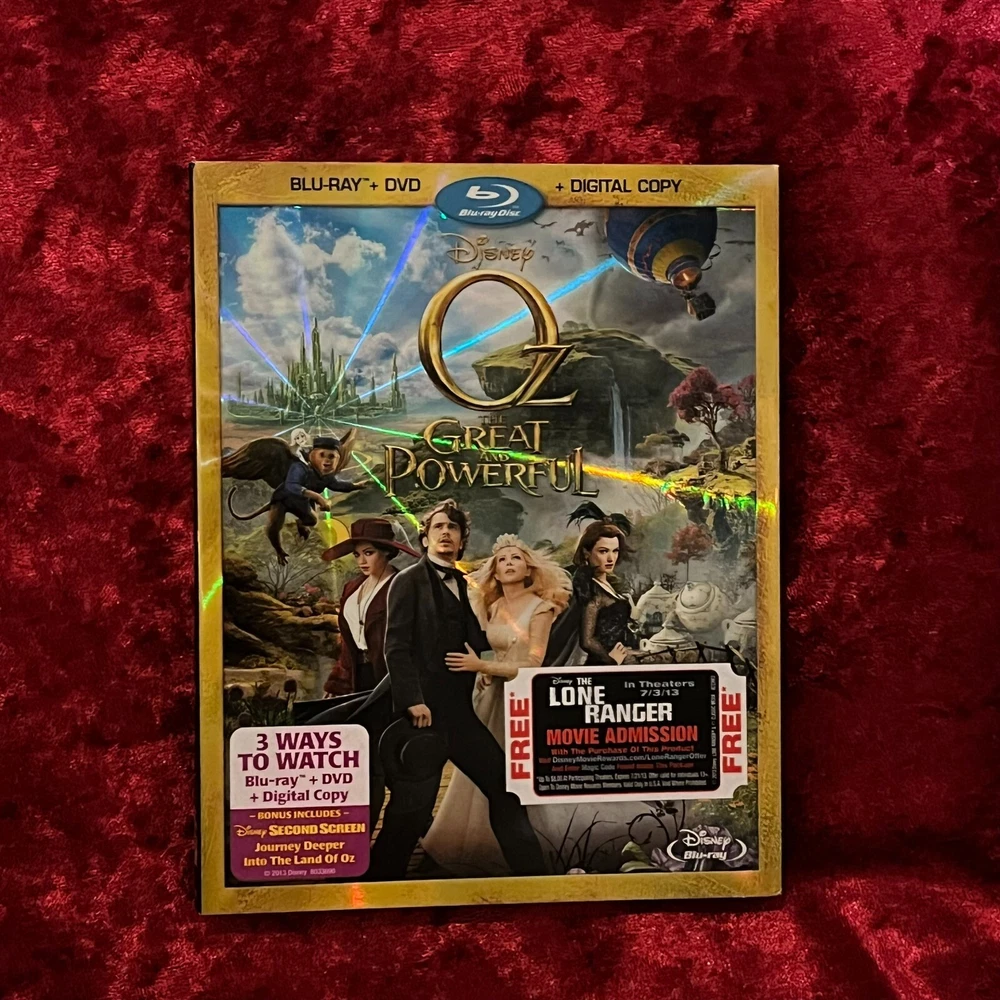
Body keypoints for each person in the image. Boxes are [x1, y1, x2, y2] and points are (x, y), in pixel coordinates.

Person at [368, 500, 547, 881]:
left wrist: (521, 618)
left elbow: (477, 640)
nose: (446, 533)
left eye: (453, 528)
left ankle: (535, 878)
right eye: (438, 527)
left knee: (505, 790)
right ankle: (378, 885)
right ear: (425, 537)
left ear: (462, 539)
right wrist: (413, 701)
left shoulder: (464, 586)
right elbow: (395, 647)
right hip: (423, 717)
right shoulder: (408, 581)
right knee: (411, 810)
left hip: (460, 715)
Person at [421, 535, 571, 875]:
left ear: (528, 568)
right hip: (492, 699)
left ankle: (534, 854)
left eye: (516, 558)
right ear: (495, 571)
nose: (508, 563)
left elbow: (533, 664)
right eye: (502, 559)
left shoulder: (541, 607)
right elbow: (493, 649)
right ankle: (481, 849)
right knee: (487, 776)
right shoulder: (492, 606)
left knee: (520, 776)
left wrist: (484, 667)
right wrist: (484, 673)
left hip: (524, 702)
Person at [307, 519, 418, 849]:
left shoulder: (402, 586)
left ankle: (379, 837)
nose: (361, 560)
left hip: (390, 681)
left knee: (383, 762)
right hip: (359, 680)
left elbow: (412, 643)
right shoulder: (352, 588)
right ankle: (360, 837)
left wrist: (412, 691)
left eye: (369, 553)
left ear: (387, 553)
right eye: (357, 554)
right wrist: (338, 682)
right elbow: (348, 645)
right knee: (362, 760)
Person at [572, 518, 652, 665]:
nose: (611, 558)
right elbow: (587, 641)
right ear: (586, 553)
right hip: (600, 667)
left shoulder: (607, 584)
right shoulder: (592, 590)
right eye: (603, 551)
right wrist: (611, 660)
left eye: (615, 551)